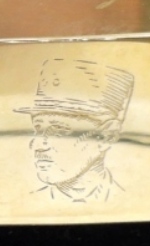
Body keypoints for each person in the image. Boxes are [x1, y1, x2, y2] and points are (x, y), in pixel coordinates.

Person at [16, 58, 134, 204]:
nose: (36, 145)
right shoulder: (19, 204)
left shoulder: (136, 203)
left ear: (106, 136)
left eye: (58, 129)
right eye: (38, 128)